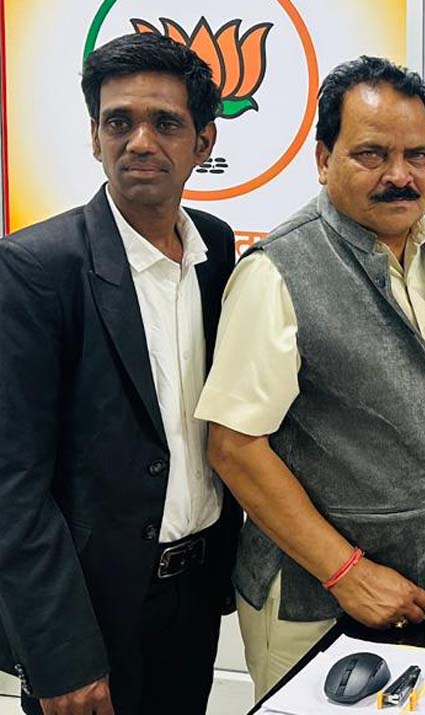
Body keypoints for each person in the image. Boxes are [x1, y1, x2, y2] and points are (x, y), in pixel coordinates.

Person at [195, 55, 425, 699]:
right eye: (371, 154)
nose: (400, 176)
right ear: (324, 160)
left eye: (417, 155)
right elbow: (235, 447)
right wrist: (348, 572)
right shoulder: (278, 270)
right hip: (318, 597)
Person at [0, 32, 241, 715]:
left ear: (203, 141)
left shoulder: (216, 247)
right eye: (118, 122)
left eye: (165, 123)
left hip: (194, 596)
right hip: (90, 612)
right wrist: (61, 655)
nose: (140, 142)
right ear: (94, 137)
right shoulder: (35, 267)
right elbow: (12, 485)